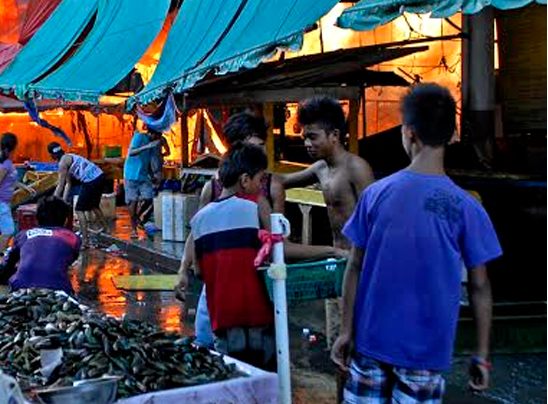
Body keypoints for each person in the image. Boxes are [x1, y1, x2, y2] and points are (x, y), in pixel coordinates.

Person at [332, 83, 502, 403]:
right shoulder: (466, 207)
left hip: (369, 344)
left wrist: (345, 331)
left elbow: (354, 266)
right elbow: (480, 287)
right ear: (452, 135)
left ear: (408, 133)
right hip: (426, 354)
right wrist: (480, 356)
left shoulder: (376, 195)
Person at [175, 112, 344, 348]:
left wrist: (328, 251)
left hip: (257, 290)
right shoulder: (211, 189)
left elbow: (279, 244)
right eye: (256, 146)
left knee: (254, 349)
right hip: (218, 291)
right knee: (214, 348)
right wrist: (184, 269)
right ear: (236, 148)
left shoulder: (269, 187)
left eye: (263, 146)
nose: (262, 152)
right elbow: (198, 233)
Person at [281, 96, 374, 358]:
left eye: (313, 137)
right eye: (305, 138)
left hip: (360, 267)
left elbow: (375, 223)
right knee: (337, 339)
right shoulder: (321, 168)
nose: (307, 143)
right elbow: (282, 181)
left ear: (334, 135)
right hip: (337, 264)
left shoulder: (357, 168)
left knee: (357, 342)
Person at [188, 143, 275, 370]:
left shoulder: (199, 220)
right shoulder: (255, 207)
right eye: (260, 179)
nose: (261, 185)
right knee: (261, 374)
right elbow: (275, 251)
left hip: (222, 319)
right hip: (258, 315)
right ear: (245, 180)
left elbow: (198, 272)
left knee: (232, 375)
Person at [0, 196, 81, 295]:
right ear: (65, 220)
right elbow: (67, 261)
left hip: (21, 286)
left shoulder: (23, 235)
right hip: (59, 288)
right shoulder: (73, 238)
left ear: (37, 219)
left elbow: (7, 265)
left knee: (2, 275)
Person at [0, 133, 34, 259]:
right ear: (12, 147)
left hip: (2, 202)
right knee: (8, 231)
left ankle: (1, 258)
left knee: (5, 231)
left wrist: (25, 187)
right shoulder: (3, 165)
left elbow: (11, 180)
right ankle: (0, 259)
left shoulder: (6, 161)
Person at [48, 142, 106, 244]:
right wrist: (63, 201)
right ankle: (105, 228)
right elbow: (68, 183)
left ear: (52, 155)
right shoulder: (69, 156)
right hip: (100, 176)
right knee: (94, 205)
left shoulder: (62, 163)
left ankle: (84, 240)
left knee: (79, 209)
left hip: (91, 181)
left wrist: (54, 202)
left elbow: (60, 185)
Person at [123, 126, 164, 239]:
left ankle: (137, 217)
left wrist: (152, 176)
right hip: (131, 174)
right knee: (133, 201)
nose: (158, 138)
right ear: (150, 133)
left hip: (144, 175)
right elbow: (131, 152)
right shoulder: (139, 137)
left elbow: (148, 162)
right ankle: (133, 230)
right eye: (157, 135)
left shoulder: (154, 143)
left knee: (149, 197)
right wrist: (147, 146)